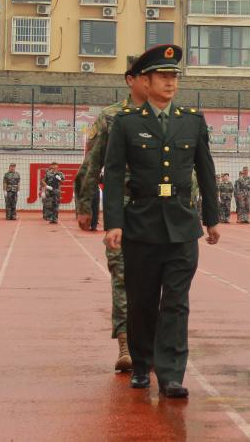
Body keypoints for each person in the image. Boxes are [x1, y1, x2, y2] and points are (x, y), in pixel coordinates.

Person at [103, 44, 221, 398]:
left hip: (182, 225)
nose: (170, 83)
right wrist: (113, 223)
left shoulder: (192, 120)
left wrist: (212, 219)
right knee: (141, 301)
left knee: (176, 302)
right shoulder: (126, 123)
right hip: (141, 224)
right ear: (145, 80)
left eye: (174, 77)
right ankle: (142, 365)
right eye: (163, 76)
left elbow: (206, 170)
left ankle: (171, 374)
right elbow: (113, 175)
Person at [73, 60, 149, 373]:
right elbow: (93, 162)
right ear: (131, 80)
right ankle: (125, 344)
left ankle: (149, 342)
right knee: (122, 275)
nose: (155, 82)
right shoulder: (110, 116)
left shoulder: (169, 117)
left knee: (155, 279)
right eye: (147, 76)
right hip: (122, 206)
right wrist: (85, 204)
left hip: (158, 210)